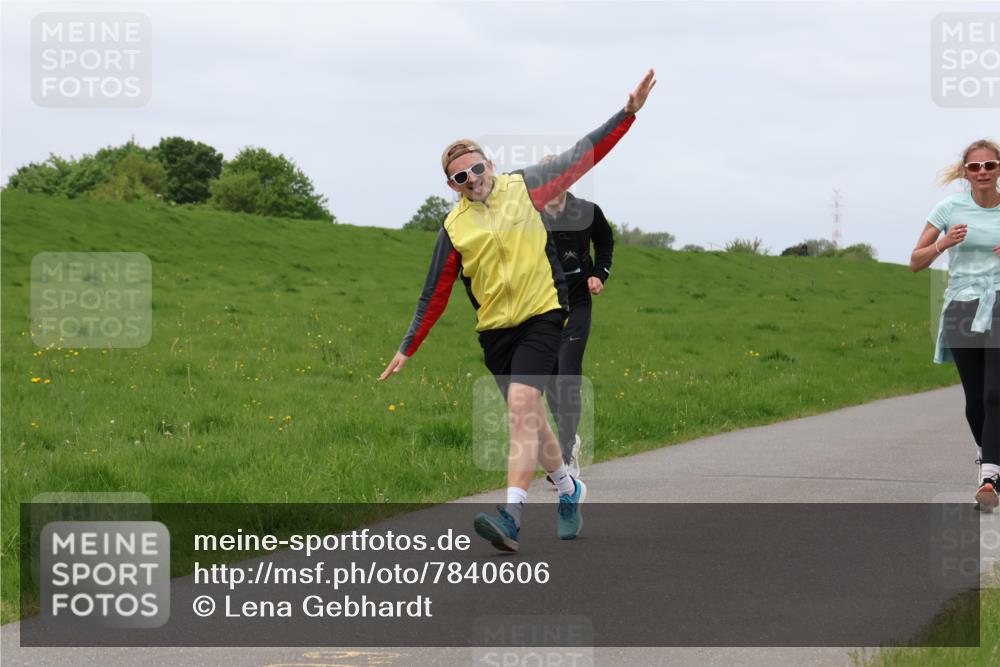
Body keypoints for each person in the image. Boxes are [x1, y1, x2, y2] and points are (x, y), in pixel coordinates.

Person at [379, 70, 656, 551]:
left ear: (490, 164)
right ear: (452, 185)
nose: (472, 180)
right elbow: (435, 292)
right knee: (534, 422)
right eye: (460, 177)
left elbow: (581, 155)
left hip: (543, 315)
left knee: (523, 411)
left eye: (477, 169)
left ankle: (510, 516)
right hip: (496, 333)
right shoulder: (454, 226)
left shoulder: (526, 188)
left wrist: (627, 113)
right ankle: (569, 489)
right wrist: (408, 346)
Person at [909, 139, 1000, 510]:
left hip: (998, 301)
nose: (982, 172)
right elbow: (916, 261)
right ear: (965, 172)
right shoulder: (948, 208)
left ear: (998, 170)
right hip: (962, 306)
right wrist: (944, 243)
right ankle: (990, 455)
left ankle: (990, 478)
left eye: (989, 165)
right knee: (975, 400)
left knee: (997, 395)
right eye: (975, 167)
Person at [539, 168, 615, 479]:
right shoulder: (531, 214)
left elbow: (606, 243)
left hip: (578, 301)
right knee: (551, 379)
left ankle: (567, 451)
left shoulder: (587, 212)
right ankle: (567, 438)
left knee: (567, 370)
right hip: (542, 305)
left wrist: (600, 273)